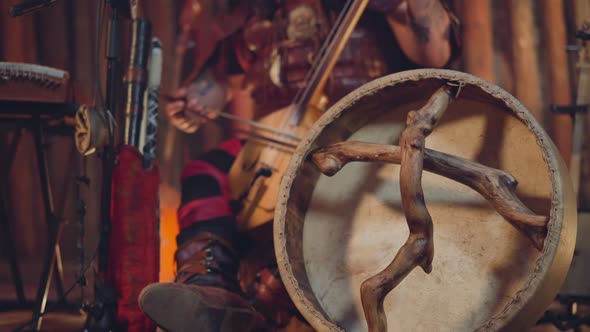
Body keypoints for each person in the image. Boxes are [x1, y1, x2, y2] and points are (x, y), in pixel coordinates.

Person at [139, 0, 461, 331]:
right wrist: (195, 100)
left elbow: (435, 52)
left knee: (314, 221)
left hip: (360, 139)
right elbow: (218, 81)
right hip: (273, 151)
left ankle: (261, 303)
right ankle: (208, 288)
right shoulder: (265, 17)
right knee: (206, 172)